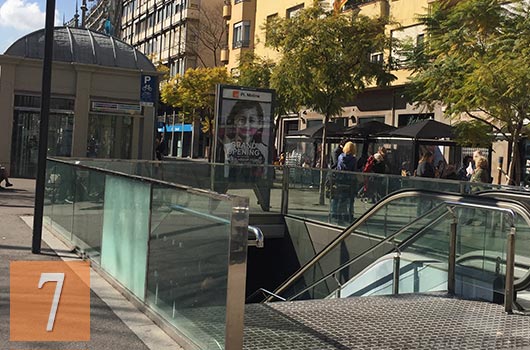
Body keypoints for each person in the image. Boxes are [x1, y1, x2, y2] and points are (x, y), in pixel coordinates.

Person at [221, 100, 268, 166]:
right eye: (242, 120)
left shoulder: (264, 151)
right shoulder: (227, 147)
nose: (246, 125)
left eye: (252, 120)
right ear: (234, 121)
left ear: (259, 124)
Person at [330, 142, 357, 225]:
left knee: (337, 198)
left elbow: (338, 167)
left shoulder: (340, 157)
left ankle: (335, 214)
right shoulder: (353, 159)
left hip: (340, 180)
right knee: (350, 199)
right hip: (349, 181)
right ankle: (348, 215)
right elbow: (354, 170)